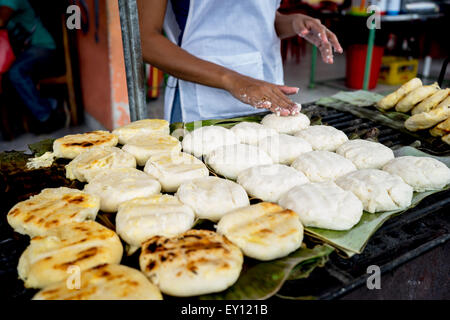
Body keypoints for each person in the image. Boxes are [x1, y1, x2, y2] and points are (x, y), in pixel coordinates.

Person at [138, 0, 343, 123]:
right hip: (202, 101)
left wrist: (294, 22)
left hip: (267, 93)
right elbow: (145, 40)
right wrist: (234, 80)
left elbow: (255, 18)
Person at [0, 0, 63, 133]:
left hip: (43, 47)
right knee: (5, 78)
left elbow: (1, 20)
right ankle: (51, 104)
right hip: (24, 53)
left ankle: (47, 116)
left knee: (16, 72)